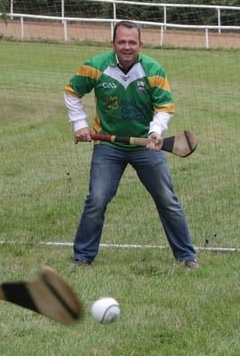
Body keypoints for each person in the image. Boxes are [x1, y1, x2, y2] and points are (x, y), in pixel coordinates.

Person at [64, 20, 198, 269]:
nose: (127, 47)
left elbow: (164, 107)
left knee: (167, 199)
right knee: (97, 199)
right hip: (108, 146)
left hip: (146, 146)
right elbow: (72, 92)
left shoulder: (153, 69)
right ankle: (82, 256)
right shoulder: (95, 67)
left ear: (140, 44)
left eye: (132, 42)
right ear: (113, 43)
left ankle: (187, 256)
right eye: (122, 42)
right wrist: (79, 124)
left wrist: (156, 132)